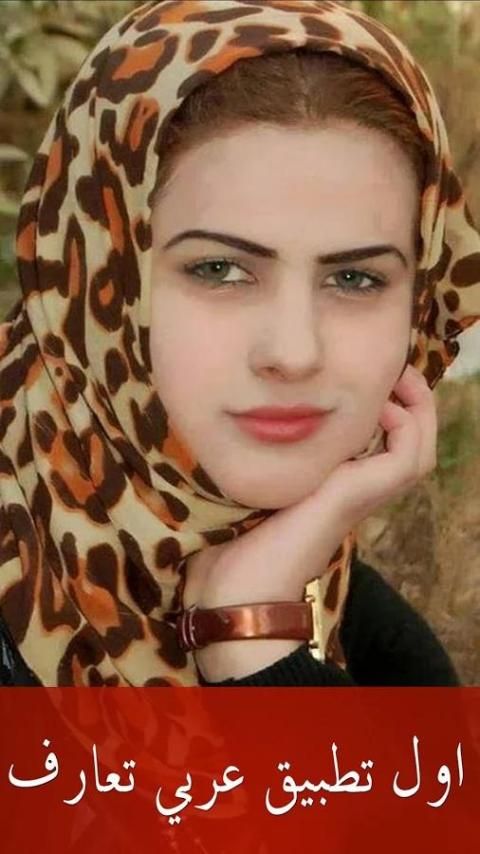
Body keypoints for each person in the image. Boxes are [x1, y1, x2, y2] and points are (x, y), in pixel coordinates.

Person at [0, 0, 479, 688]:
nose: (294, 353)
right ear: (94, 281)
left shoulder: (355, 619)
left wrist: (253, 631)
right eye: (219, 270)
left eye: (355, 278)